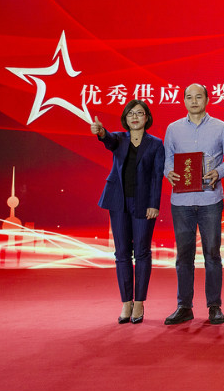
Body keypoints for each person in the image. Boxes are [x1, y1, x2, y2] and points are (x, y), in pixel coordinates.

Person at [163, 84, 224, 325]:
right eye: (189, 97)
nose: (194, 101)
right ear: (184, 100)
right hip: (181, 201)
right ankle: (184, 306)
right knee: (184, 255)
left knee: (212, 254)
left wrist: (218, 172)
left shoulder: (221, 127)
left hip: (210, 200)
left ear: (207, 99)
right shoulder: (173, 129)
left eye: (198, 97)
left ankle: (214, 306)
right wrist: (169, 172)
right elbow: (167, 159)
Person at [91, 100, 164, 324]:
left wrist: (154, 204)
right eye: (130, 113)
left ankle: (139, 301)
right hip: (118, 202)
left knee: (141, 252)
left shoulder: (155, 144)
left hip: (144, 204)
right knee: (121, 253)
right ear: (125, 118)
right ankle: (126, 302)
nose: (135, 117)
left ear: (146, 117)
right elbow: (108, 139)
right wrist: (101, 132)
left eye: (139, 113)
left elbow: (157, 177)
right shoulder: (119, 139)